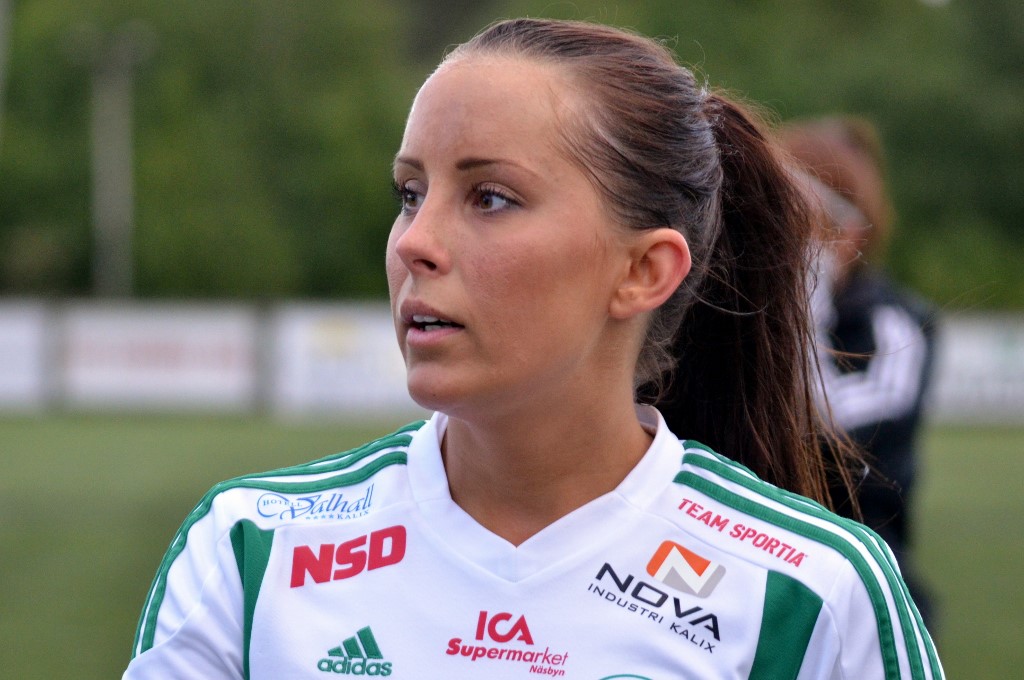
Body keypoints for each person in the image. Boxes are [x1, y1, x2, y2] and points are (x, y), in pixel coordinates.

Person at [123, 19, 942, 679]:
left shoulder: (812, 595)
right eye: (410, 193)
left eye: (490, 197)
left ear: (643, 271)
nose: (415, 242)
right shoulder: (253, 551)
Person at [779, 116, 941, 633]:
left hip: (864, 579)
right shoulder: (749, 310)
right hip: (757, 567)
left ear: (850, 235)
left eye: (801, 215)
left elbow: (838, 425)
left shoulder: (895, 323)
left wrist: (803, 318)